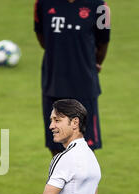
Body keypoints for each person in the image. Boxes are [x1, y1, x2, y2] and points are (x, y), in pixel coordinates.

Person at [34, 0, 111, 156]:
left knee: (86, 149)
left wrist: (91, 64)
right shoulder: (42, 3)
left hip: (84, 87)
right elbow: (43, 38)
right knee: (56, 146)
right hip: (53, 85)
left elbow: (103, 42)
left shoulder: (100, 5)